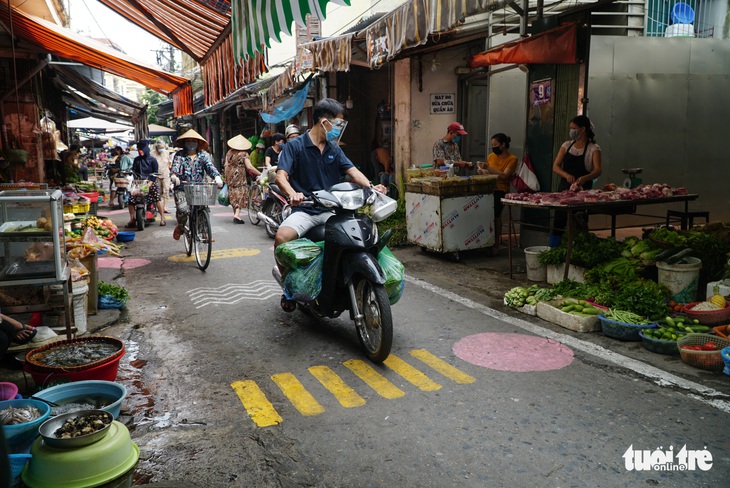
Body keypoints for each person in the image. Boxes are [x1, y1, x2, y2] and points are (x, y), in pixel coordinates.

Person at [274, 98, 387, 310]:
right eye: (338, 123)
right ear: (323, 121)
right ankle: (288, 288)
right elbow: (281, 176)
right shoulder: (295, 146)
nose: (339, 128)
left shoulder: (335, 149)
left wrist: (372, 187)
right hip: (306, 209)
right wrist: (293, 193)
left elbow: (353, 173)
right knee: (281, 237)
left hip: (334, 210)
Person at [551, 114, 602, 237]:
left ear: (583, 129)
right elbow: (555, 166)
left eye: (574, 128)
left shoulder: (593, 148)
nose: (571, 131)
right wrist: (566, 175)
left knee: (580, 220)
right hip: (564, 188)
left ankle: (579, 247)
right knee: (559, 220)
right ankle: (554, 247)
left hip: (583, 190)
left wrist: (585, 178)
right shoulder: (566, 145)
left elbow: (598, 170)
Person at [170, 129, 223, 240]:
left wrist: (217, 177)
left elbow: (210, 167)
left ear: (198, 143)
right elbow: (175, 167)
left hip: (199, 187)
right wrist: (174, 176)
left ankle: (204, 232)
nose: (191, 143)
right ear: (184, 143)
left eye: (193, 141)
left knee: (203, 207)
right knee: (183, 210)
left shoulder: (202, 156)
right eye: (188, 141)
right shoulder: (179, 155)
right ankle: (180, 227)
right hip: (182, 188)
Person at [477, 133, 518, 255]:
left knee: (495, 216)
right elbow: (488, 172)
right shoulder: (491, 156)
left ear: (503, 145)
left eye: (495, 145)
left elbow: (505, 175)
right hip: (488, 187)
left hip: (501, 190)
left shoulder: (512, 159)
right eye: (492, 145)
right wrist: (482, 171)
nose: (493, 147)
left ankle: (495, 243)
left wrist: (488, 168)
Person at [127, 140, 165, 228]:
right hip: (139, 183)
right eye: (139, 149)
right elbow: (134, 171)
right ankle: (132, 219)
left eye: (142, 149)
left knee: (157, 198)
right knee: (131, 199)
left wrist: (150, 182)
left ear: (146, 149)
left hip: (150, 182)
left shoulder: (153, 160)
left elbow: (155, 172)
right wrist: (132, 175)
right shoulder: (137, 160)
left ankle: (162, 218)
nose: (140, 151)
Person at [225, 134, 260, 224]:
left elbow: (226, 165)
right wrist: (260, 173)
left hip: (230, 175)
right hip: (239, 176)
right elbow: (249, 167)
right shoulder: (244, 153)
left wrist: (226, 177)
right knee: (240, 193)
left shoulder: (229, 152)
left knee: (233, 194)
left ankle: (235, 214)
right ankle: (236, 215)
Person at [152, 140, 172, 213]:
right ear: (157, 147)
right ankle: (158, 206)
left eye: (163, 147)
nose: (161, 149)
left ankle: (165, 207)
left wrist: (170, 169)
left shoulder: (166, 153)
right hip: (156, 175)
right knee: (158, 191)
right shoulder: (152, 153)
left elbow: (169, 162)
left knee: (166, 190)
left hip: (166, 174)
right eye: (160, 147)